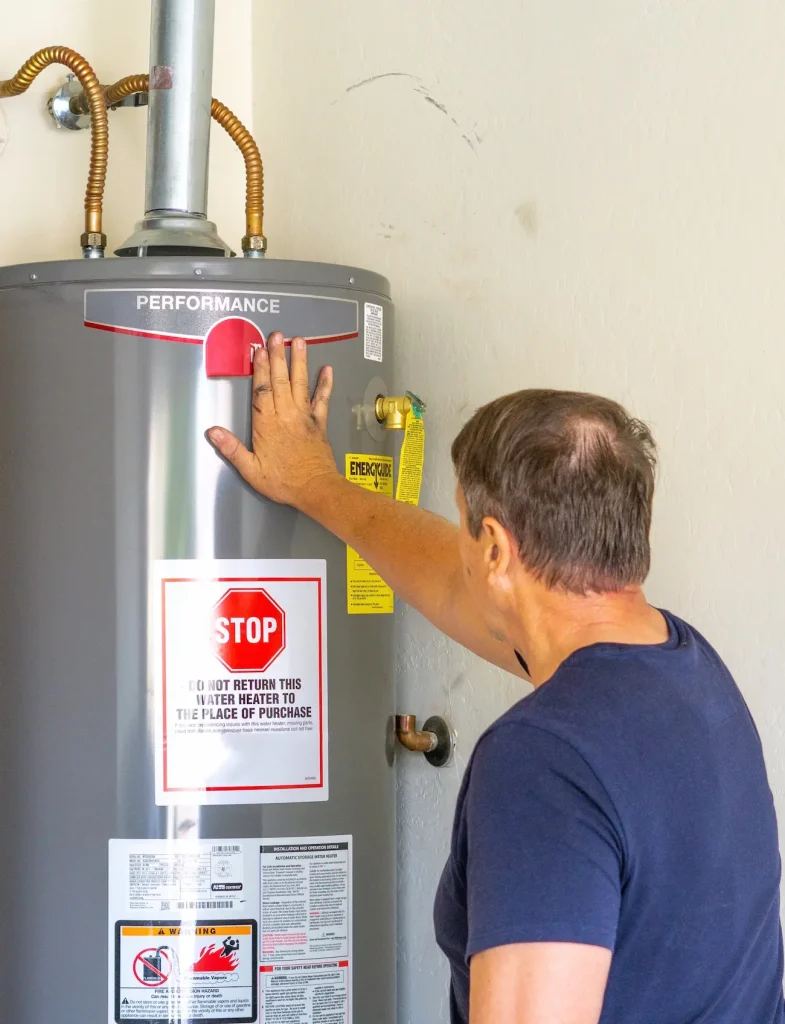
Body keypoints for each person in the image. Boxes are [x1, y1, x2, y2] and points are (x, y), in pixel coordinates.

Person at [208, 333, 784, 1024]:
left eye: (464, 531)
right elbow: (460, 590)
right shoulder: (685, 669)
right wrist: (316, 486)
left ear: (493, 548)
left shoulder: (542, 761)